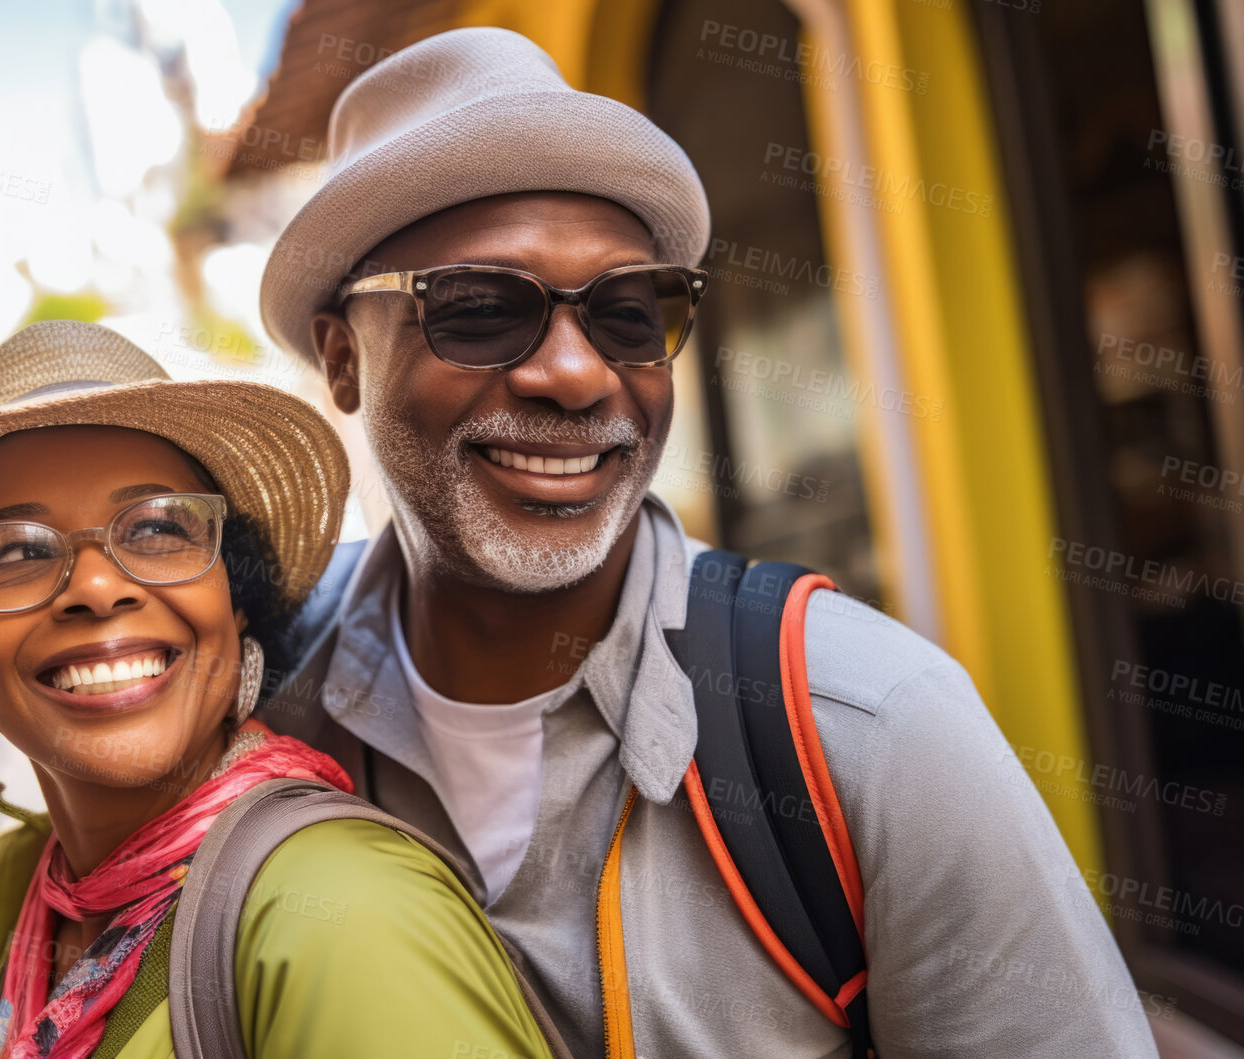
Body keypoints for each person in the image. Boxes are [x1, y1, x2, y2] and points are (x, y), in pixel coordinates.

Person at [255, 26, 1159, 1059]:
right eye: (475, 310)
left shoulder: (874, 728)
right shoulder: (264, 710)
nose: (575, 373)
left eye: (628, 314)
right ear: (339, 361)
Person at [0, 320, 557, 1058]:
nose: (95, 588)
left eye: (158, 530)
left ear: (237, 596)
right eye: (17, 551)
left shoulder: (351, 915)